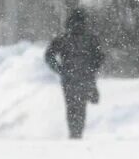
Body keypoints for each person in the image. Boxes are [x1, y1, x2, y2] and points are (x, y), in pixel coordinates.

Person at [45, 8, 105, 139]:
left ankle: (74, 133)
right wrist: (92, 68)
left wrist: (60, 69)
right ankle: (77, 133)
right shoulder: (90, 39)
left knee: (72, 106)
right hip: (84, 78)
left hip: (69, 79)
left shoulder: (63, 38)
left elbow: (49, 56)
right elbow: (100, 57)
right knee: (81, 107)